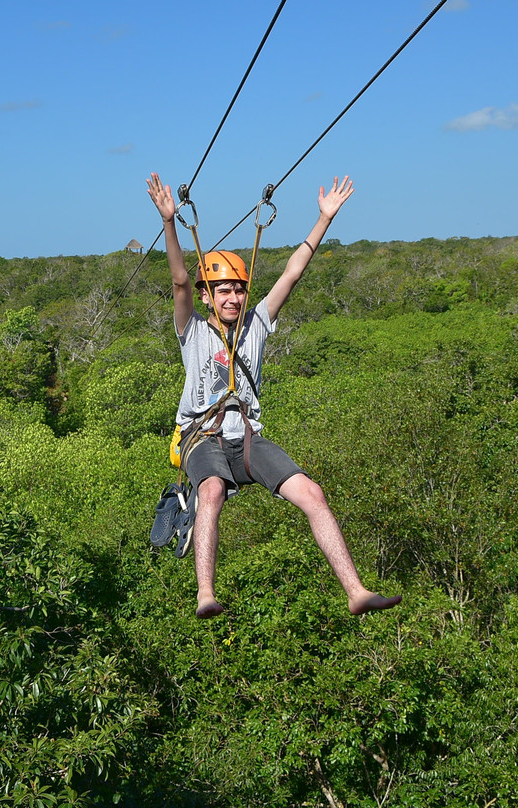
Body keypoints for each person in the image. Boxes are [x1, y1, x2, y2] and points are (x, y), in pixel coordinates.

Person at [146, 171, 402, 619]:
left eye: (239, 289)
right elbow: (181, 281)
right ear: (208, 297)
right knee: (211, 491)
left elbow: (293, 272)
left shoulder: (258, 324)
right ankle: (205, 593)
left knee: (312, 493)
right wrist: (169, 222)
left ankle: (356, 591)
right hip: (201, 437)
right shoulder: (192, 330)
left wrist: (324, 219)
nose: (233, 297)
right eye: (223, 290)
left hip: (246, 437)